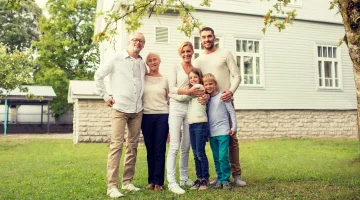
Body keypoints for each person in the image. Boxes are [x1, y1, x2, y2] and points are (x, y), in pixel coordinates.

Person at [94, 32, 146, 198]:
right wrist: (105, 96)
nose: (138, 43)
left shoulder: (142, 63)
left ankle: (127, 182)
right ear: (129, 42)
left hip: (137, 110)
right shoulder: (116, 59)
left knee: (133, 146)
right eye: (135, 40)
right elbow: (98, 75)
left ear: (143, 45)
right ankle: (111, 186)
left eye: (141, 41)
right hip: (120, 108)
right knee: (116, 146)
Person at [194, 27, 246, 186]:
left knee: (231, 137)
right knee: (214, 139)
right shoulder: (198, 60)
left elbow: (237, 75)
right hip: (208, 105)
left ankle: (236, 174)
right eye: (203, 37)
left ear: (214, 37)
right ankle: (219, 175)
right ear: (200, 39)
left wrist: (230, 91)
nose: (207, 39)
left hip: (225, 101)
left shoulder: (225, 54)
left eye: (209, 36)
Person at [166, 41, 204, 195]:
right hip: (176, 107)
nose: (186, 54)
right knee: (174, 146)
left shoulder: (195, 69)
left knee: (186, 146)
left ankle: (183, 178)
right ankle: (172, 182)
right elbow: (172, 88)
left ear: (192, 51)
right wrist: (188, 92)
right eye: (183, 51)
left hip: (190, 109)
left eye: (188, 51)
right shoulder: (175, 67)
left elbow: (201, 86)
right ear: (180, 53)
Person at [170, 68, 210, 191]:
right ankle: (199, 178)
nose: (193, 80)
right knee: (195, 152)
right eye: (190, 78)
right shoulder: (193, 90)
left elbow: (182, 98)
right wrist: (188, 92)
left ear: (200, 79)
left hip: (200, 124)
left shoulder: (198, 88)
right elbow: (186, 98)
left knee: (200, 153)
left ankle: (205, 179)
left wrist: (171, 94)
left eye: (195, 77)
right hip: (192, 124)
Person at [141, 52, 169, 191]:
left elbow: (169, 100)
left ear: (159, 61)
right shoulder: (143, 78)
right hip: (146, 116)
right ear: (147, 63)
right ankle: (151, 180)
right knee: (150, 149)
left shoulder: (165, 80)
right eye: (150, 60)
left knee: (160, 149)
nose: (153, 62)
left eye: (155, 60)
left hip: (162, 116)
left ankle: (158, 182)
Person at [203, 73, 236, 190]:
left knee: (223, 156)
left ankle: (226, 180)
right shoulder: (206, 100)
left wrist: (234, 128)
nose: (208, 86)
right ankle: (220, 178)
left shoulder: (223, 96)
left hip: (223, 132)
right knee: (216, 157)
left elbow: (231, 111)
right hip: (212, 133)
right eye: (206, 84)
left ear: (215, 84)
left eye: (210, 84)